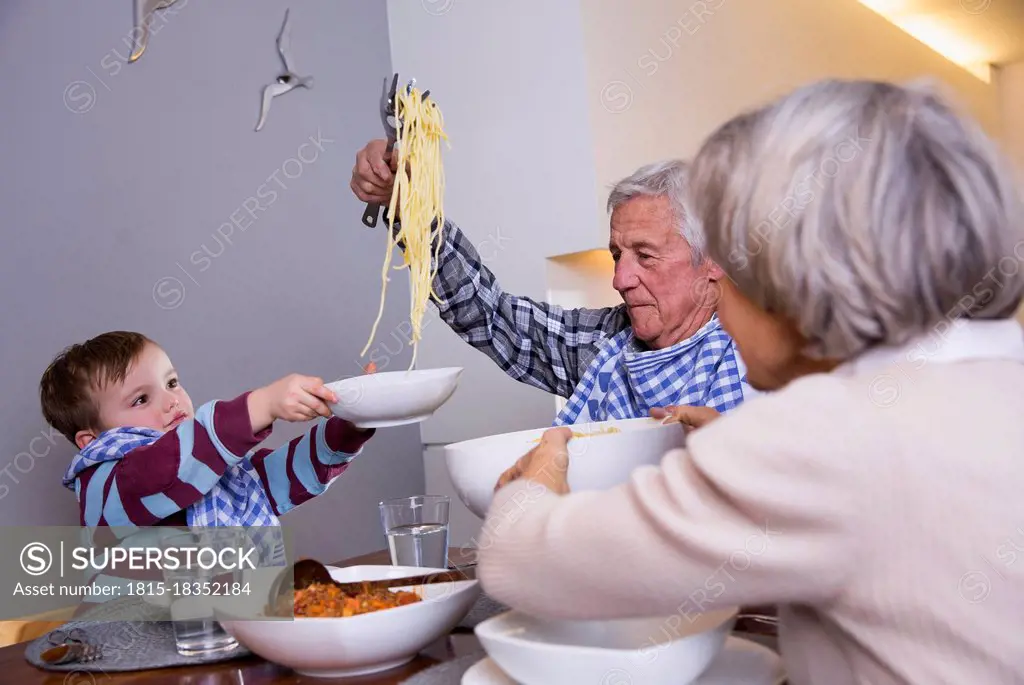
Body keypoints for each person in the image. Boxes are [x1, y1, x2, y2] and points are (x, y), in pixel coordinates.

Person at [478, 79, 1024, 684]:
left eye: (729, 270)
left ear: (796, 276)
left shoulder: (825, 437)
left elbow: (518, 561)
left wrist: (544, 471)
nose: (719, 296)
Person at [351, 151, 751, 426]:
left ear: (712, 257)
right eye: (617, 255)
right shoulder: (604, 345)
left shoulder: (766, 352)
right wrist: (408, 204)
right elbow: (489, 315)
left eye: (645, 256)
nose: (620, 279)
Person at [40, 330, 375, 530]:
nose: (172, 401)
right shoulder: (110, 485)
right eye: (141, 399)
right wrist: (263, 405)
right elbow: (163, 470)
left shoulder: (216, 475)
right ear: (91, 441)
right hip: (136, 641)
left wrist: (350, 423)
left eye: (171, 382)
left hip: (226, 634)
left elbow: (289, 473)